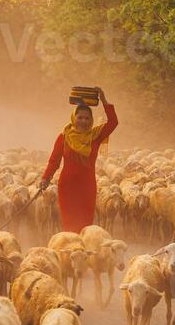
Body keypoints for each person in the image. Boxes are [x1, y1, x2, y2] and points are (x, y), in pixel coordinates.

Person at [40, 87, 118, 233]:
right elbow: (54, 161)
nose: (83, 121)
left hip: (87, 187)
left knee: (85, 227)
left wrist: (103, 99)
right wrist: (45, 178)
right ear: (74, 118)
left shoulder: (95, 136)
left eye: (87, 118)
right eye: (80, 117)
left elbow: (113, 122)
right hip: (67, 186)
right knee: (69, 225)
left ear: (91, 120)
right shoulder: (64, 137)